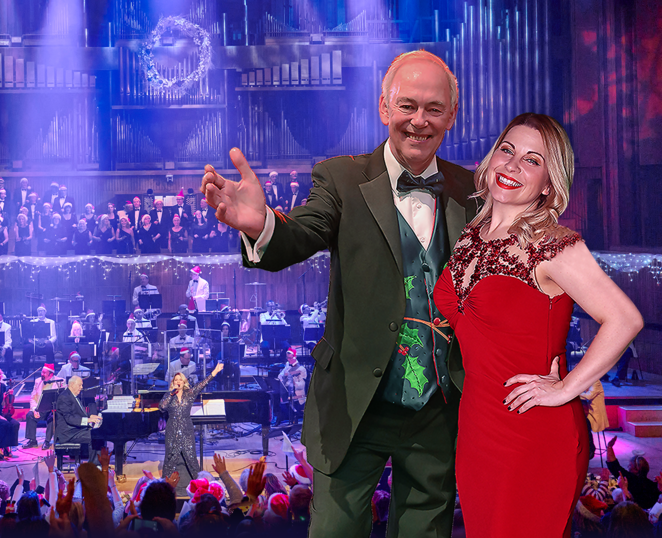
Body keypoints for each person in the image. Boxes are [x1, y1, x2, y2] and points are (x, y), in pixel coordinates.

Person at [202, 50, 478, 538]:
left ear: (452, 115)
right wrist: (261, 225)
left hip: (438, 410)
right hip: (355, 405)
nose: (419, 121)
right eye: (407, 105)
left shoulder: (472, 191)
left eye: (434, 109)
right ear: (383, 108)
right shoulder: (342, 178)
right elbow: (301, 233)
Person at [433, 113, 644, 537]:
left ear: (549, 184)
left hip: (533, 432)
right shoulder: (471, 234)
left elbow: (625, 318)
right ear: (492, 157)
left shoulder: (553, 245)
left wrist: (567, 388)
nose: (512, 166)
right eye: (507, 151)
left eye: (532, 160)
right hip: (477, 429)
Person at [159, 363, 223, 483]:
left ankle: (199, 485)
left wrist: (215, 371)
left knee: (192, 459)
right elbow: (162, 407)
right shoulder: (169, 395)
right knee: (169, 460)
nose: (178, 382)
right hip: (172, 431)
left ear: (184, 382)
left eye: (180, 380)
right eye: (175, 380)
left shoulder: (189, 394)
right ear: (173, 383)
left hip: (187, 430)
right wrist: (172, 392)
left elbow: (203, 384)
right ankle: (164, 486)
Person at [55, 376, 100, 464]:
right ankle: (94, 466)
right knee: (95, 436)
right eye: (79, 385)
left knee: (98, 434)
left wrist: (91, 416)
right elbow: (69, 419)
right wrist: (88, 420)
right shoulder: (64, 397)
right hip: (68, 433)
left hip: (75, 430)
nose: (81, 387)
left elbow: (79, 414)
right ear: (72, 385)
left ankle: (97, 463)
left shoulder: (73, 396)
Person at [605, 436, 658, 509]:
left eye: (630, 465)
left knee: (616, 493)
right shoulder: (653, 485)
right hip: (647, 512)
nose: (628, 466)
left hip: (634, 512)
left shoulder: (631, 480)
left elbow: (613, 466)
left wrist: (609, 447)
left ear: (636, 470)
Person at [23, 363, 64, 449]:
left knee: (53, 417)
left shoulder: (60, 382)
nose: (42, 374)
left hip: (52, 409)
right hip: (40, 409)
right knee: (29, 415)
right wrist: (34, 409)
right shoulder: (38, 381)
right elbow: (33, 398)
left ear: (51, 374)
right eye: (42, 372)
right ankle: (32, 441)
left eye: (44, 373)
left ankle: (47, 441)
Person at [22, 306, 56, 377]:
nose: (40, 312)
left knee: (49, 348)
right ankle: (26, 371)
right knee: (26, 348)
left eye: (42, 311)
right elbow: (29, 335)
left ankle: (50, 371)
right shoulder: (32, 322)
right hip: (35, 344)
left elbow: (54, 336)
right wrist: (29, 340)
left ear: (45, 312)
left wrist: (49, 341)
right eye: (39, 311)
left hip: (45, 344)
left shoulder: (51, 322)